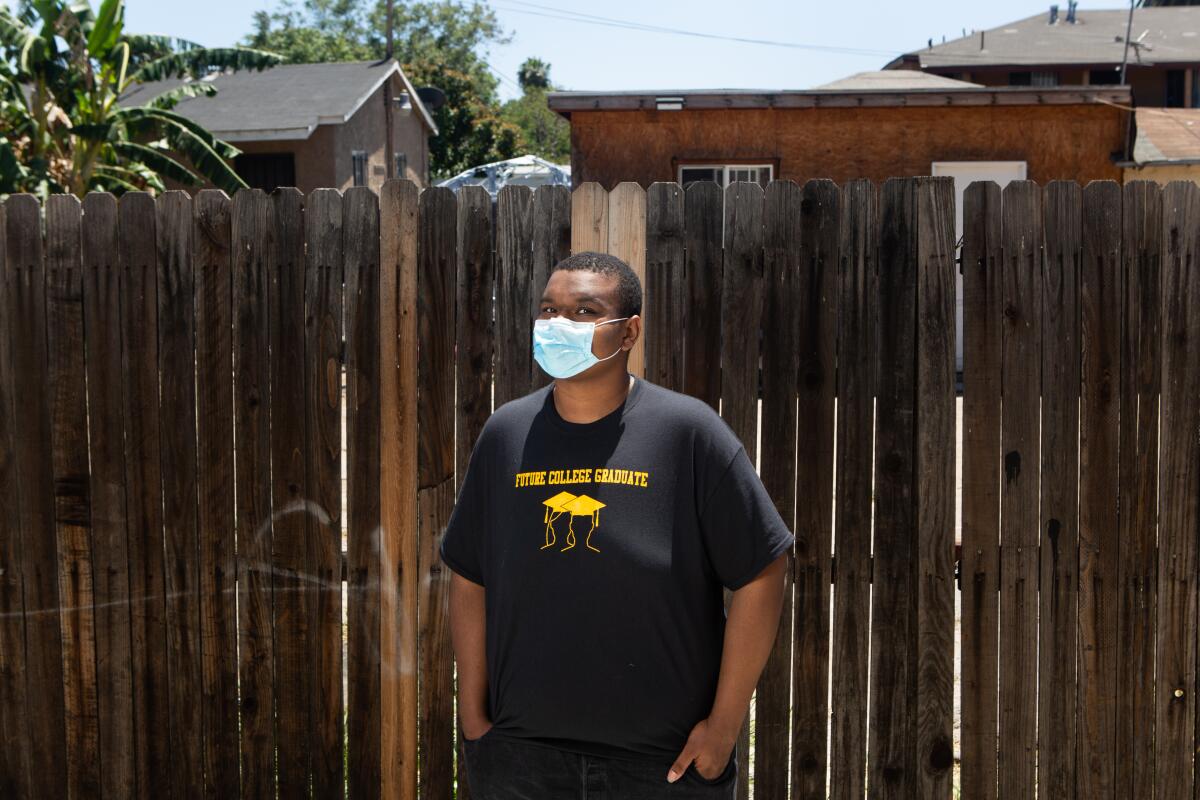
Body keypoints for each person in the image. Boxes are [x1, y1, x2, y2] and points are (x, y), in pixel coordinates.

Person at [440, 250, 795, 799]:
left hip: (663, 766)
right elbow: (468, 571)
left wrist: (723, 729)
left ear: (628, 333)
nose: (559, 324)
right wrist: (473, 713)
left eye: (584, 311)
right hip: (522, 761)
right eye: (548, 309)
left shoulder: (688, 432)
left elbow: (763, 569)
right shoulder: (505, 434)